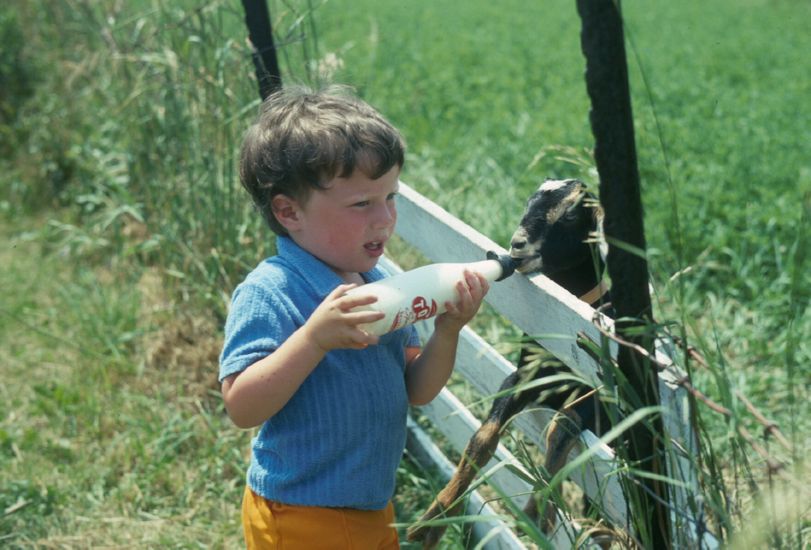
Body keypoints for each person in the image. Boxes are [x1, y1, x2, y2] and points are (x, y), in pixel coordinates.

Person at [219, 85, 490, 549]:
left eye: (390, 197)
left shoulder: (380, 283)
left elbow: (417, 389)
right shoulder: (272, 292)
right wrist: (313, 340)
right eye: (362, 204)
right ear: (289, 211)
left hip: (369, 506)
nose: (384, 219)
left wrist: (448, 331)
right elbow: (241, 407)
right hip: (302, 512)